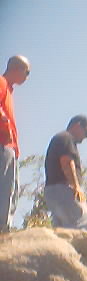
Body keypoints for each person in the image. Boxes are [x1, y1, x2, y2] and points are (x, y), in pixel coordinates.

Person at [44, 115, 87, 231]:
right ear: (77, 126)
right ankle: (80, 249)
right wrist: (76, 186)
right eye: (86, 132)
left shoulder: (60, 138)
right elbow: (66, 162)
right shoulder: (66, 137)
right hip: (63, 188)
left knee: (63, 230)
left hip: (52, 191)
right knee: (82, 221)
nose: (86, 137)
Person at [0, 55, 30, 232]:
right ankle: (2, 230)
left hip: (9, 148)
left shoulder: (9, 90)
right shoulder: (2, 83)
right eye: (27, 72)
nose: (27, 77)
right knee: (5, 190)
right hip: (3, 145)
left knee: (11, 191)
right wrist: (5, 125)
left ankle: (5, 228)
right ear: (17, 68)